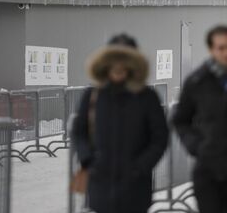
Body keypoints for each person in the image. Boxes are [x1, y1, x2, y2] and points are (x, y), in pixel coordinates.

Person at [71, 35, 168, 213]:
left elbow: (160, 137)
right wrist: (89, 160)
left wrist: (141, 166)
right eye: (114, 59)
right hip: (101, 184)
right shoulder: (93, 95)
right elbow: (79, 132)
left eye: (125, 59)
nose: (119, 65)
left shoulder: (147, 97)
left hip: (136, 188)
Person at [173, 26, 227, 213]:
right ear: (211, 49)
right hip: (208, 168)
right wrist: (197, 146)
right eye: (221, 48)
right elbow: (181, 120)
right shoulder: (198, 81)